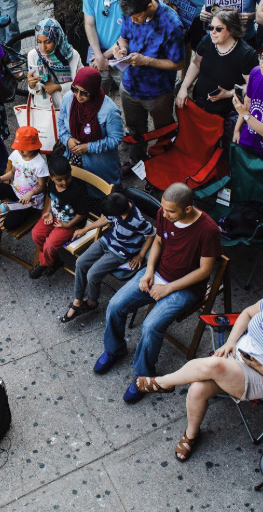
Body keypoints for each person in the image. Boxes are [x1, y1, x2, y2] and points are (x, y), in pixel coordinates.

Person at [138, 279, 263, 461]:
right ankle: (191, 435)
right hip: (238, 354)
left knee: (215, 365)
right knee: (197, 388)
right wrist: (231, 341)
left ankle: (162, 383)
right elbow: (248, 313)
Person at [94, 183, 222, 405]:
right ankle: (114, 350)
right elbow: (159, 242)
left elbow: (205, 271)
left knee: (151, 326)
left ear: (188, 209)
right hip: (158, 273)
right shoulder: (165, 214)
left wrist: (168, 288)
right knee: (115, 305)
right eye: (163, 208)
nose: (164, 213)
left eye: (171, 211)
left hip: (184, 289)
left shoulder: (208, 231)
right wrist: (149, 271)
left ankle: (144, 375)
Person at [113, 0, 185, 163]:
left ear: (148, 6)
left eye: (137, 17)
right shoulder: (131, 11)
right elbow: (124, 37)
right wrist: (121, 49)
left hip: (157, 92)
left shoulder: (171, 24)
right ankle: (138, 163)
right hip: (129, 85)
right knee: (135, 130)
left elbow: (178, 63)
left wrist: (147, 61)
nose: (133, 20)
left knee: (164, 132)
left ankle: (163, 166)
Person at [61, 191, 154, 323]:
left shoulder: (137, 221)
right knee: (81, 262)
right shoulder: (119, 203)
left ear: (119, 213)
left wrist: (140, 254)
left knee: (92, 274)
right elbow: (105, 219)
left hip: (121, 251)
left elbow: (152, 234)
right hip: (108, 240)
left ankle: (92, 303)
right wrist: (85, 230)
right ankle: (77, 301)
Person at [177, 9, 258, 139]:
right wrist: (184, 87)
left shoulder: (246, 54)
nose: (212, 32)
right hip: (201, 102)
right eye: (210, 27)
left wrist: (229, 93)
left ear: (231, 30)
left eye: (218, 29)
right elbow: (196, 64)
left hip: (226, 110)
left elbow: (253, 85)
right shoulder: (206, 41)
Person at [57, 67, 124, 186]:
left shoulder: (109, 110)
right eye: (75, 89)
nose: (78, 96)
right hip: (73, 158)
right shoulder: (68, 98)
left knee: (99, 195)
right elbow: (61, 122)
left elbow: (116, 139)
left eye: (84, 93)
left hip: (99, 164)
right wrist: (67, 139)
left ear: (93, 91)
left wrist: (89, 147)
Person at [83, 0, 138, 93]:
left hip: (121, 55)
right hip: (97, 53)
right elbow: (89, 23)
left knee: (129, 96)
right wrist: (99, 56)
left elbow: (130, 30)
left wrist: (106, 56)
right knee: (95, 96)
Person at [28, 154, 88, 278]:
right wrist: (49, 211)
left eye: (67, 177)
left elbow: (82, 214)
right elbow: (51, 198)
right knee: (36, 234)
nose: (64, 182)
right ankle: (54, 261)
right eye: (59, 180)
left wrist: (67, 225)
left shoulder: (77, 192)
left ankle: (45, 263)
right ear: (52, 177)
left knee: (50, 244)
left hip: (71, 223)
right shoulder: (51, 184)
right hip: (54, 216)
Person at [0, 126, 49, 230]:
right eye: (19, 148)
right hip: (16, 192)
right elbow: (12, 172)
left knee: (9, 225)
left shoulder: (40, 164)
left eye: (24, 148)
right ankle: (11, 203)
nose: (20, 151)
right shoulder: (17, 154)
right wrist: (1, 178)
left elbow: (43, 187)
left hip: (31, 202)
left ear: (33, 147)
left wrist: (31, 193)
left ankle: (18, 208)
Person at [27, 17, 82, 110]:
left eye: (48, 42)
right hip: (44, 110)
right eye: (39, 42)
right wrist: (32, 85)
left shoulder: (72, 55)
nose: (43, 47)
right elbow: (35, 88)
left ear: (57, 38)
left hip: (69, 107)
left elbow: (81, 84)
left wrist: (59, 87)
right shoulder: (33, 55)